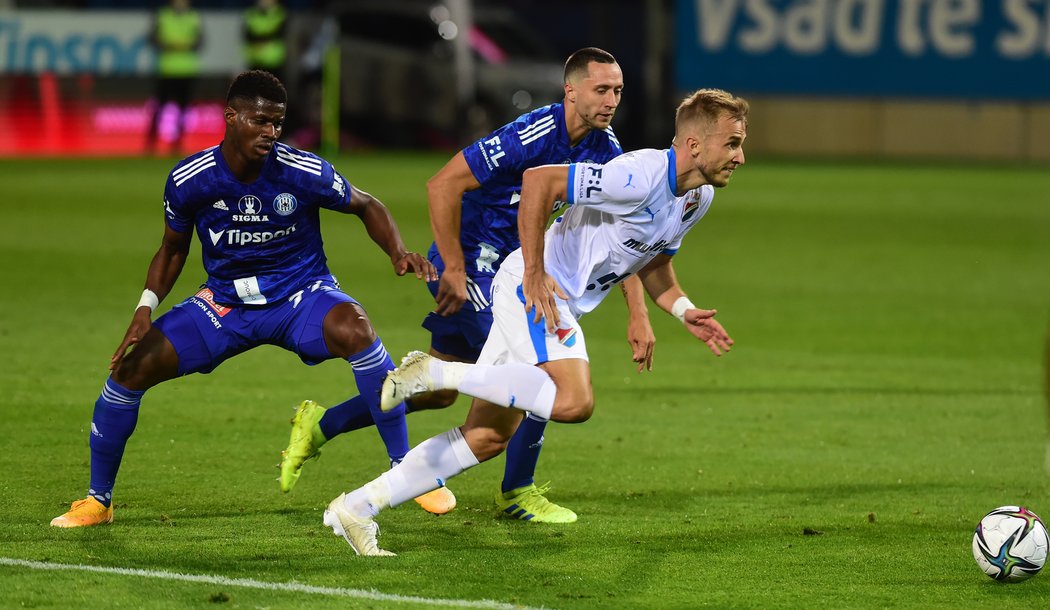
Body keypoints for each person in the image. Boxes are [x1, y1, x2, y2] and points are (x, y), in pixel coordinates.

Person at [321, 88, 749, 555]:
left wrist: (685, 311)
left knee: (486, 437)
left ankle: (357, 508)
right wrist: (533, 272)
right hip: (536, 292)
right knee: (573, 401)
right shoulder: (636, 175)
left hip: (549, 297)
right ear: (693, 145)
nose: (741, 156)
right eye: (731, 143)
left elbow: (656, 261)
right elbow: (540, 181)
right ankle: (434, 372)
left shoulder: (696, 197)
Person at [278, 47, 655, 523]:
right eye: (601, 89)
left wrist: (638, 312)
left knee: (440, 392)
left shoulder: (607, 149)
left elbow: (622, 234)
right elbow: (443, 184)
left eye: (618, 90)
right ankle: (516, 491)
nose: (611, 100)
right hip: (477, 262)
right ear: (571, 90)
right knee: (536, 375)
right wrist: (454, 266)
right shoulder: (532, 134)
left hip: (515, 268)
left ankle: (320, 426)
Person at [50, 70, 442, 528]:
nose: (271, 133)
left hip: (299, 296)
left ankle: (407, 471)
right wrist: (145, 308)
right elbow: (173, 249)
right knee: (129, 371)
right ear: (231, 117)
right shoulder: (190, 180)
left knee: (357, 328)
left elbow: (366, 204)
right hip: (224, 308)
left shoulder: (302, 170)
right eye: (260, 121)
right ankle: (98, 500)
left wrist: (398, 252)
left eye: (277, 123)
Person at [146, 0, 203, 154]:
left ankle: (177, 144)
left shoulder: (194, 16)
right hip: (167, 69)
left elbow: (200, 42)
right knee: (159, 107)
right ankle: (150, 144)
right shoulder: (163, 15)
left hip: (186, 69)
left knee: (183, 109)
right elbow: (152, 39)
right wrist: (173, 45)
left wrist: (176, 45)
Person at [243, 0, 288, 85]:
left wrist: (259, 39)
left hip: (274, 61)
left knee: (273, 92)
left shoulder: (280, 13)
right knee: (255, 92)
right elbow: (246, 35)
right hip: (255, 59)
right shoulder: (251, 13)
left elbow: (280, 33)